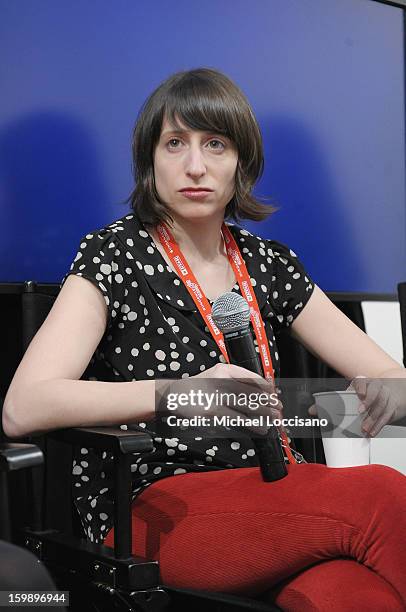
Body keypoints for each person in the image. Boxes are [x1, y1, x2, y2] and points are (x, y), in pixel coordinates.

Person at [3, 67, 406, 610]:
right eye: (175, 144)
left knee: (354, 595)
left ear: (242, 162)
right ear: (150, 160)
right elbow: (23, 406)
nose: (195, 166)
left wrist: (390, 392)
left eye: (215, 144)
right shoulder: (116, 254)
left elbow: (389, 374)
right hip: (156, 507)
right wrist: (183, 394)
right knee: (380, 494)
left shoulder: (269, 263)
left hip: (275, 490)